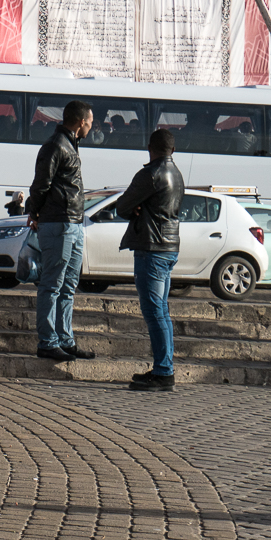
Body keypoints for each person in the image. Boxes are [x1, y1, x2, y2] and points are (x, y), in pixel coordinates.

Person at [114, 128, 184, 392]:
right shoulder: (176, 174)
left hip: (152, 247)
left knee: (154, 311)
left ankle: (164, 372)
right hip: (170, 246)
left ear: (149, 147)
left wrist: (135, 207)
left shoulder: (151, 174)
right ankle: (162, 368)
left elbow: (122, 206)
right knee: (161, 310)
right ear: (173, 150)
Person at [27, 99, 95, 362]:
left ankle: (65, 339)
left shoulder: (70, 145)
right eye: (90, 122)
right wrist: (35, 213)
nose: (91, 126)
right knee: (52, 284)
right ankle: (47, 341)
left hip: (73, 223)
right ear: (81, 122)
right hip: (59, 223)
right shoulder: (56, 146)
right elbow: (40, 184)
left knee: (68, 285)